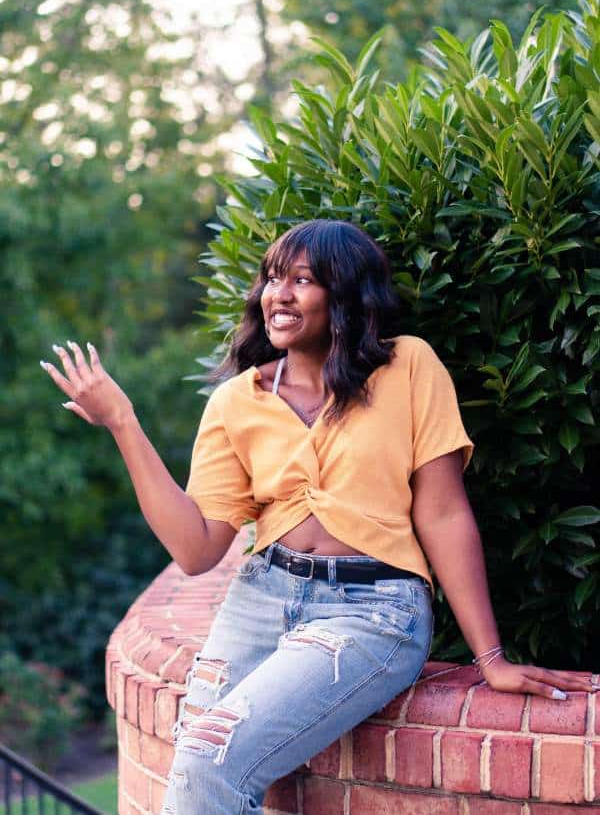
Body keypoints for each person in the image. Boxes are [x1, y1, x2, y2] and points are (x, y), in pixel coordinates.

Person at [42, 219, 595, 815]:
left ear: (346, 296)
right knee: (193, 778)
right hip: (259, 599)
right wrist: (124, 423)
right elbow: (197, 550)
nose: (277, 294)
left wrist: (491, 660)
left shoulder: (408, 367)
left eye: (302, 280)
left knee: (208, 764)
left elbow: (443, 514)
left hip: (372, 610)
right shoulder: (236, 402)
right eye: (272, 278)